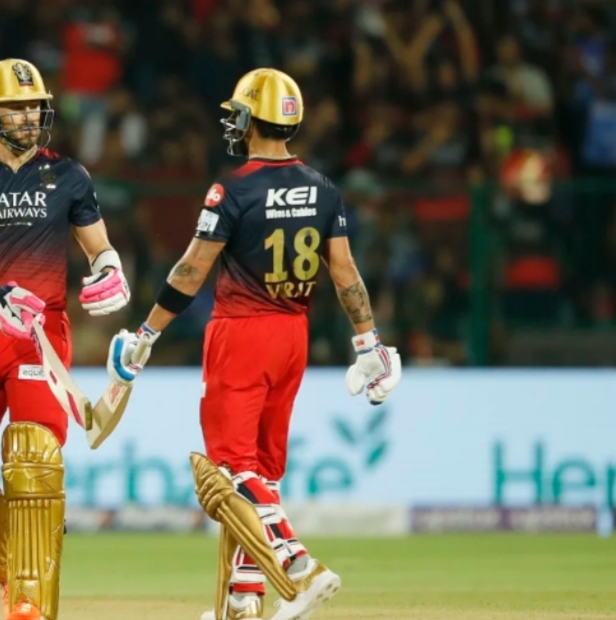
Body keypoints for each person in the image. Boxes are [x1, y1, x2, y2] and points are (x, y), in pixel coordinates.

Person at [107, 69, 402, 620]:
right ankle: (245, 596)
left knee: (230, 469)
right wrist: (369, 343)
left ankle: (300, 566)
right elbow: (345, 273)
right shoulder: (323, 187)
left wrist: (147, 332)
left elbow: (192, 269)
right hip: (293, 335)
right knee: (262, 471)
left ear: (250, 119)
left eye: (237, 114)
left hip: (242, 332)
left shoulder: (232, 189)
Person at [0, 58, 130, 620]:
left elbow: (98, 247)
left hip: (41, 336)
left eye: (35, 105)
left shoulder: (70, 175)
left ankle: (28, 601)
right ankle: (20, 573)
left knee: (34, 465)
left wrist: (110, 269)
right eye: (16, 107)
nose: (29, 115)